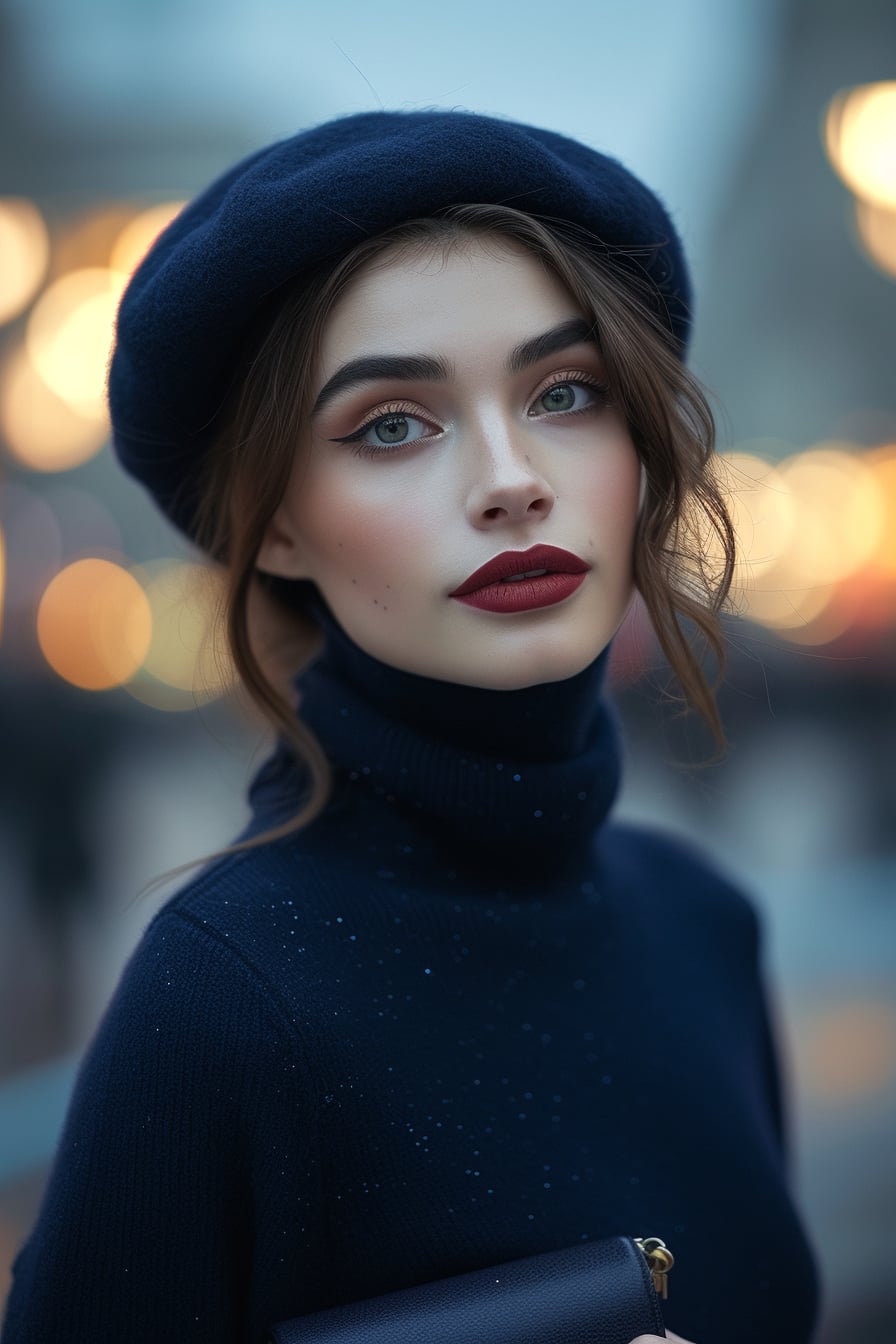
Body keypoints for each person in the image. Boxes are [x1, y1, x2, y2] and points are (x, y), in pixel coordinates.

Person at [1, 110, 821, 1344]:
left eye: (566, 391)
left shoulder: (703, 921)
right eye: (392, 422)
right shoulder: (223, 1001)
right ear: (275, 523)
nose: (509, 476)